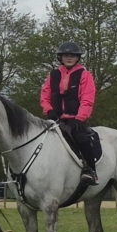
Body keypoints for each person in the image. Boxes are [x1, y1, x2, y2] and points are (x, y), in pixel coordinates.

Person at [40, 40, 99, 186]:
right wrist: (49, 110)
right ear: (60, 57)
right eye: (66, 55)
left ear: (77, 58)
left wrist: (80, 118)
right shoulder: (53, 75)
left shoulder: (84, 75)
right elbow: (45, 95)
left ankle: (90, 171)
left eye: (73, 55)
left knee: (81, 138)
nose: (69, 58)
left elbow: (87, 98)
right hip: (55, 118)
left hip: (75, 118)